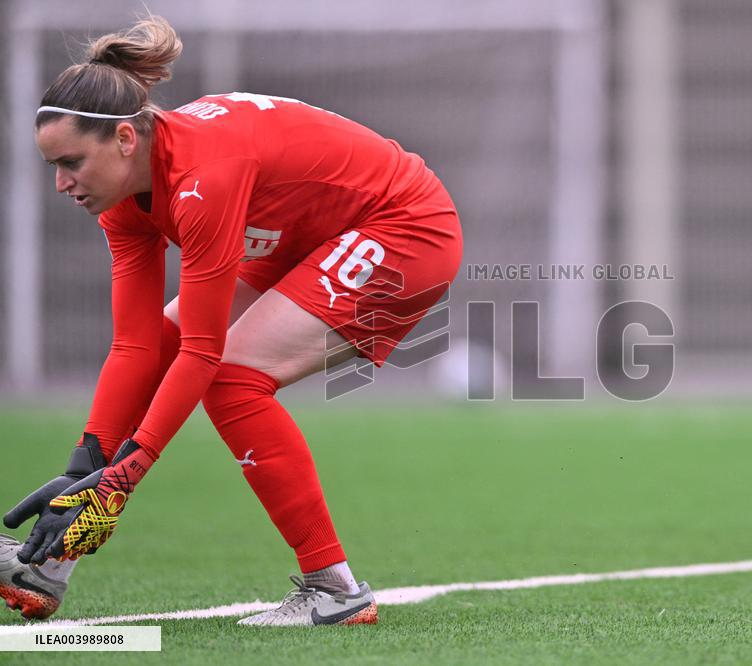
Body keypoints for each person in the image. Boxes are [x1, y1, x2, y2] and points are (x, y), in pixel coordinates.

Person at [0, 16, 461, 626]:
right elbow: (139, 346)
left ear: (124, 141)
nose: (62, 184)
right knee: (166, 344)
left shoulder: (202, 179)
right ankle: (50, 562)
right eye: (53, 167)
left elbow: (203, 352)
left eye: (71, 163)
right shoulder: (122, 197)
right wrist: (84, 467)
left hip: (405, 228)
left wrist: (123, 478)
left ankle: (335, 590)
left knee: (231, 377)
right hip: (310, 240)